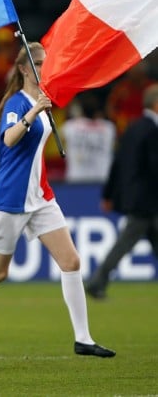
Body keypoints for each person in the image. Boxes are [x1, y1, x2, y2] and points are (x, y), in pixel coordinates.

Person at [0, 42, 116, 360]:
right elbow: (9, 139)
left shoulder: (42, 99)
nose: (43, 68)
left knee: (72, 262)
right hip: (10, 198)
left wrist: (43, 106)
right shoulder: (17, 102)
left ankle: (83, 338)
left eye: (46, 63)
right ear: (24, 69)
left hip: (40, 197)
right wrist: (35, 111)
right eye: (38, 63)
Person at [86, 84, 158, 299]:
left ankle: (98, 281)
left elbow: (117, 163)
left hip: (139, 198)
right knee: (123, 244)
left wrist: (108, 194)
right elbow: (155, 167)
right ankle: (97, 281)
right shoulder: (152, 131)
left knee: (128, 243)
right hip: (147, 201)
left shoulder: (132, 127)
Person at [61, 92, 116, 183]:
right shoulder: (109, 128)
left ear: (79, 110)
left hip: (76, 182)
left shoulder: (69, 127)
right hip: (102, 180)